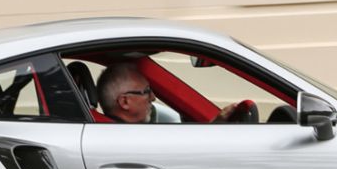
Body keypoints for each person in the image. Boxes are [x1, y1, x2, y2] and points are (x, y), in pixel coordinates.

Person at [97, 62, 245, 123]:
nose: (153, 98)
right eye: (146, 91)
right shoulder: (128, 140)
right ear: (124, 102)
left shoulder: (119, 133)